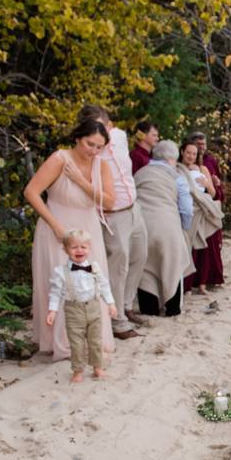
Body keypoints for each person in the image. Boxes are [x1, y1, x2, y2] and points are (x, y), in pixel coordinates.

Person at [25, 118, 116, 361]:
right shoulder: (59, 159)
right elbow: (31, 192)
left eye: (99, 146)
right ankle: (63, 345)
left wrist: (81, 181)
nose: (94, 150)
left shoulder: (101, 165)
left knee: (91, 283)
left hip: (88, 229)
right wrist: (55, 226)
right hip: (57, 225)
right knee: (62, 285)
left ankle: (90, 342)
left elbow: (109, 202)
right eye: (90, 144)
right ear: (77, 138)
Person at [78, 105, 148, 339]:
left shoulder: (120, 136)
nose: (103, 134)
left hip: (134, 208)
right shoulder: (91, 153)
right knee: (118, 268)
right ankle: (118, 322)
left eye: (104, 127)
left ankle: (127, 305)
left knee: (140, 256)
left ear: (110, 125)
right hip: (112, 216)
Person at [46, 229, 118, 382]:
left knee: (96, 341)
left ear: (89, 249)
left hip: (94, 308)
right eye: (74, 247)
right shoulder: (60, 272)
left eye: (83, 247)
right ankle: (78, 370)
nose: (79, 250)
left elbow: (104, 287)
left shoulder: (95, 268)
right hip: (73, 310)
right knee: (76, 343)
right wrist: (52, 311)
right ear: (65, 250)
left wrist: (111, 304)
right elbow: (55, 293)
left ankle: (97, 368)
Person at [133, 139, 194, 317]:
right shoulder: (177, 177)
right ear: (170, 159)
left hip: (142, 226)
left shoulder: (140, 173)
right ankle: (172, 309)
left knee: (145, 269)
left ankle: (149, 309)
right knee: (173, 266)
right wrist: (184, 228)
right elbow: (186, 209)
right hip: (168, 226)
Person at [179, 140, 224, 295]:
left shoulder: (203, 168)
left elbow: (212, 193)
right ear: (182, 152)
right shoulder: (178, 169)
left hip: (202, 211)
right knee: (188, 247)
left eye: (194, 153)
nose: (191, 156)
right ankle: (186, 284)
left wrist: (207, 183)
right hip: (185, 210)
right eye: (188, 153)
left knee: (204, 248)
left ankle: (202, 283)